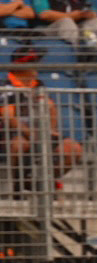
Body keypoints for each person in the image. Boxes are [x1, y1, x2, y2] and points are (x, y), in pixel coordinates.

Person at [0, 45, 81, 190]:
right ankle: (19, 185)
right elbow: (8, 117)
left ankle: (46, 181)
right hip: (13, 134)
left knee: (73, 148)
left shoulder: (38, 84)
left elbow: (50, 107)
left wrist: (51, 130)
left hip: (40, 131)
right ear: (20, 67)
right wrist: (31, 133)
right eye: (31, 62)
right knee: (19, 145)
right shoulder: (7, 86)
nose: (36, 66)